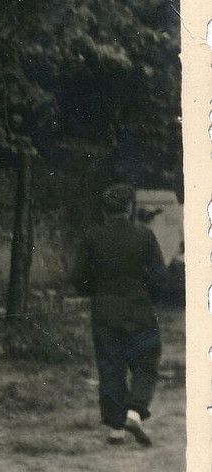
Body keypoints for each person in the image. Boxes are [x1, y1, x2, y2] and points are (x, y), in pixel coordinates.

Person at [72, 183, 167, 446]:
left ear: (104, 209)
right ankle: (134, 413)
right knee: (146, 362)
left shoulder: (91, 237)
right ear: (131, 207)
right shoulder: (145, 236)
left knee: (111, 366)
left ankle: (115, 429)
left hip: (105, 310)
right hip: (139, 308)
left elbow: (79, 280)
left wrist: (99, 292)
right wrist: (147, 296)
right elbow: (160, 279)